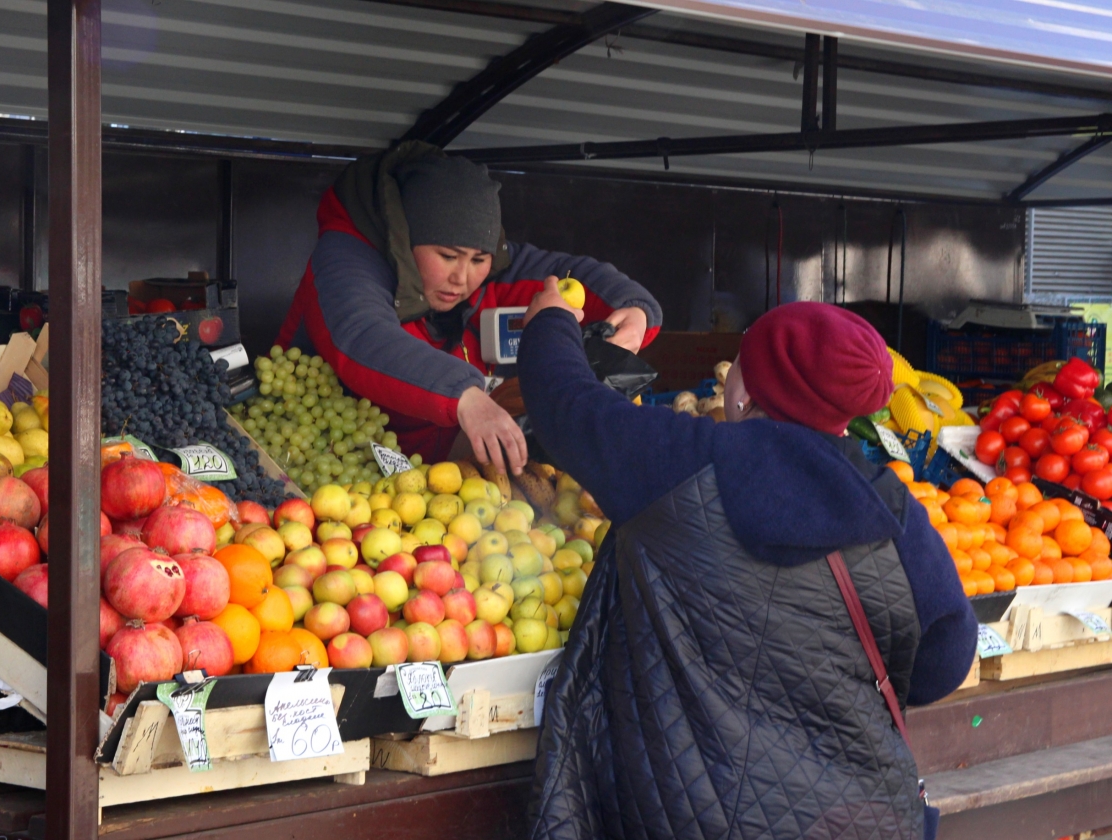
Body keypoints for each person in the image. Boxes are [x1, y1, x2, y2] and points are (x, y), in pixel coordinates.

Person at [517, 290, 977, 840]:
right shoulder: (892, 508)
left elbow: (564, 402)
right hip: (854, 815)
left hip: (690, 814)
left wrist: (549, 320)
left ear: (749, 388)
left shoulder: (677, 461)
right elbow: (945, 659)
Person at [275, 141, 662, 473]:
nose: (463, 278)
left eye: (479, 260)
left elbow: (575, 274)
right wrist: (465, 396)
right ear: (406, 240)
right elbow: (361, 335)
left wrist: (637, 309)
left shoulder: (495, 270)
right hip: (319, 467)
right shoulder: (346, 259)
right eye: (447, 256)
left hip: (436, 494)